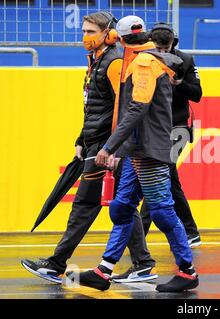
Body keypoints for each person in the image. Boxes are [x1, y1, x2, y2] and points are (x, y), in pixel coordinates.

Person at [66, 15, 199, 293]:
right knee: (122, 206)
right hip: (138, 149)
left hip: (149, 150)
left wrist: (109, 146)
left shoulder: (143, 64)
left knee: (162, 212)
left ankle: (187, 272)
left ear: (119, 37)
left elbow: (137, 109)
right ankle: (104, 271)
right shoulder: (144, 60)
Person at [19, 11, 140, 283]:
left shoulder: (113, 63)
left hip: (107, 147)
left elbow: (122, 109)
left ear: (108, 35)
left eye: (91, 32)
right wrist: (80, 140)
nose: (85, 37)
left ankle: (55, 263)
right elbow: (94, 108)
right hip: (97, 143)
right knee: (124, 204)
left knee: (85, 205)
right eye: (83, 31)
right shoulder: (96, 61)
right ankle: (144, 263)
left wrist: (112, 148)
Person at [111, 22, 203, 284]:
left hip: (177, 127)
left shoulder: (183, 60)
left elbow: (197, 94)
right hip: (153, 129)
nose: (163, 51)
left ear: (174, 44)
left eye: (167, 47)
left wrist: (179, 82)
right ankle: (187, 230)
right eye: (159, 47)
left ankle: (168, 234)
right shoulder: (145, 60)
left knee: (163, 177)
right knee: (164, 180)